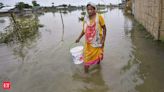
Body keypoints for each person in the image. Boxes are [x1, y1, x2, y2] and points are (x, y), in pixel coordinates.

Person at [75, 2, 107, 73]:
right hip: (88, 43)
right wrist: (79, 38)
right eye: (88, 9)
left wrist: (103, 40)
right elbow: (84, 30)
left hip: (98, 42)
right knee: (86, 60)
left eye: (91, 9)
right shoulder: (85, 18)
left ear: (95, 9)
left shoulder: (99, 17)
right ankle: (86, 76)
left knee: (98, 56)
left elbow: (104, 28)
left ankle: (98, 70)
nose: (89, 11)